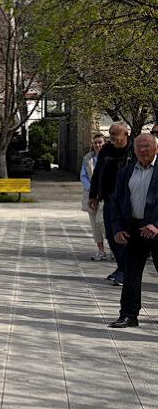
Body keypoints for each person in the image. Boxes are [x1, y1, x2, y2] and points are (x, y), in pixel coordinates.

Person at [108, 133, 158, 328]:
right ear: (134, 149)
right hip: (134, 230)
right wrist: (118, 228)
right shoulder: (126, 171)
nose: (143, 150)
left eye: (147, 146)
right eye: (139, 147)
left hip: (155, 230)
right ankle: (129, 315)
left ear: (155, 148)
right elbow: (115, 202)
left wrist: (156, 224)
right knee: (131, 276)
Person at [90, 122, 134, 286]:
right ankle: (121, 267)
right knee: (110, 235)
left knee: (123, 236)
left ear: (126, 134)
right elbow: (98, 173)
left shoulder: (132, 151)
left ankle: (125, 271)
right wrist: (93, 194)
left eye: (115, 133)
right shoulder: (106, 151)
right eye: (110, 133)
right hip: (109, 199)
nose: (112, 137)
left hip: (127, 202)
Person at [80, 133, 109, 262]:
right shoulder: (88, 158)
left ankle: (115, 248)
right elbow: (83, 176)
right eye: (95, 142)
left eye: (100, 142)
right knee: (94, 225)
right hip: (91, 195)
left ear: (104, 143)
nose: (98, 145)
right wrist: (92, 190)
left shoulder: (110, 158)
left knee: (101, 222)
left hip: (105, 196)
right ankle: (101, 250)